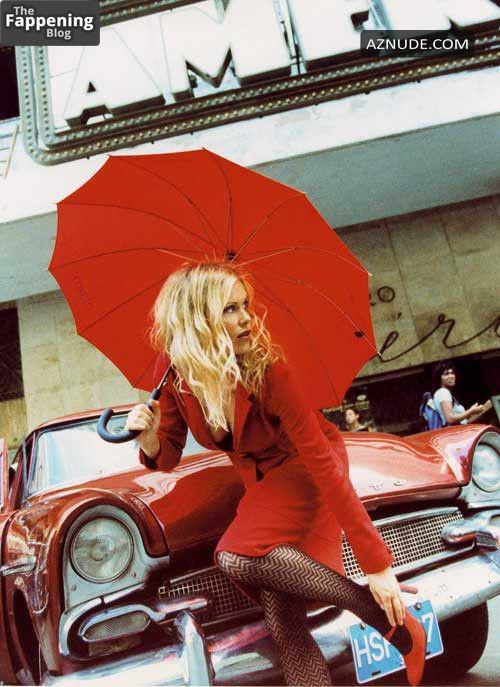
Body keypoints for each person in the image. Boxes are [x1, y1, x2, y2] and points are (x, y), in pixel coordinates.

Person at [125, 262, 426, 687]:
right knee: (283, 616)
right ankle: (380, 628)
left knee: (236, 555)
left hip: (305, 470)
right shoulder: (172, 372)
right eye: (230, 309)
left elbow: (323, 464)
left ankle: (379, 615)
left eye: (245, 305)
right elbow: (168, 453)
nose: (247, 318)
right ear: (198, 319)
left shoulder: (271, 372)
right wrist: (150, 438)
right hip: (263, 485)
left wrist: (376, 565)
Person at [432, 361, 491, 426]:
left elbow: (462, 421)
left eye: (452, 373)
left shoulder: (443, 393)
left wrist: (473, 411)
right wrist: (471, 411)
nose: (451, 376)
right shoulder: (443, 392)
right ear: (439, 378)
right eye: (446, 374)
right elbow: (450, 419)